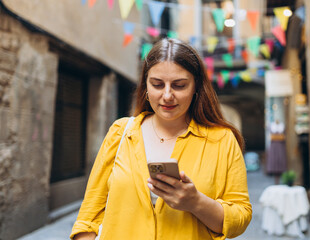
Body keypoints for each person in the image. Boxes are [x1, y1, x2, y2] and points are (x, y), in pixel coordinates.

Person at [70, 38, 252, 240]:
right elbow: (89, 216)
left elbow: (241, 217)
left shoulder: (222, 140)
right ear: (145, 86)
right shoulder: (121, 132)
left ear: (196, 87)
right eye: (157, 84)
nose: (167, 95)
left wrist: (195, 202)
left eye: (179, 85)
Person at [266, 119, 287, 184]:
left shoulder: (282, 126)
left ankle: (280, 176)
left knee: (280, 159)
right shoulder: (272, 126)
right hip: (274, 145)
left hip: (280, 145)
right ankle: (276, 179)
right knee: (274, 159)